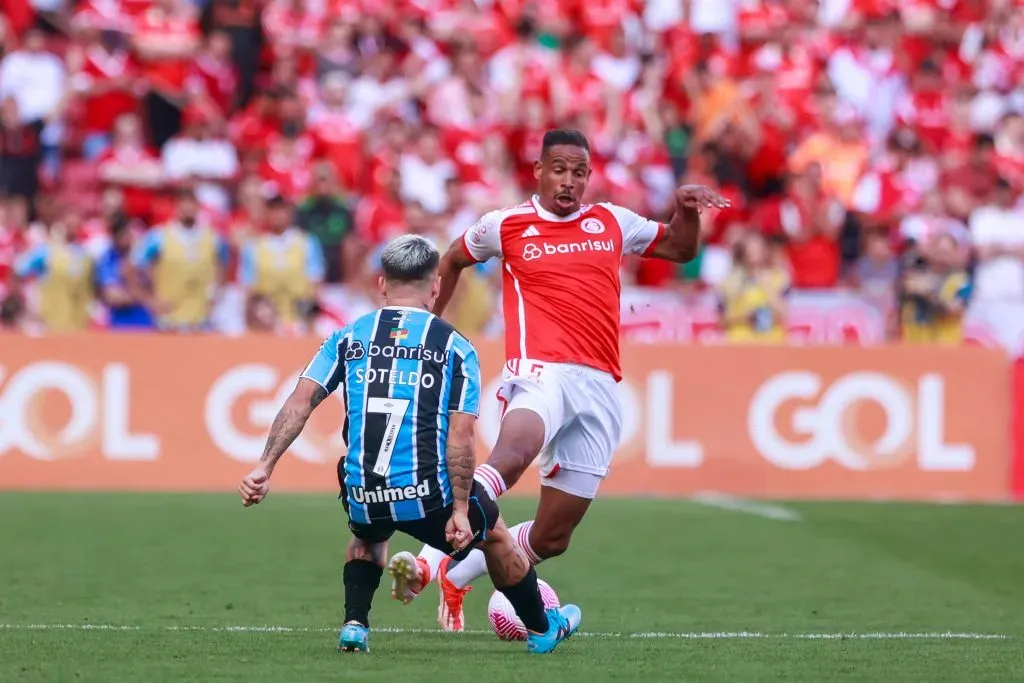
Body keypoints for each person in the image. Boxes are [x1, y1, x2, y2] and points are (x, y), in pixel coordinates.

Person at [403, 129, 729, 631]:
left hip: (598, 386)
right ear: (538, 170)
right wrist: (430, 328)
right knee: (509, 459)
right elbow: (450, 259)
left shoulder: (611, 221)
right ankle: (425, 561)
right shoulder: (506, 225)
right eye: (558, 169)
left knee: (554, 537)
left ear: (589, 177)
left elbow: (681, 250)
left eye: (579, 172)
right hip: (539, 372)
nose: (568, 181)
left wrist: (686, 211)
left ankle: (455, 571)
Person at [237, 235, 582, 654]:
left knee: (367, 538)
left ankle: (355, 625)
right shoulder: (455, 347)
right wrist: (459, 509)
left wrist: (264, 466)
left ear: (382, 284)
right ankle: (542, 628)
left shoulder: (348, 338)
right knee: (495, 537)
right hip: (427, 493)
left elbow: (299, 403)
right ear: (435, 286)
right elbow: (460, 434)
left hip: (363, 487)